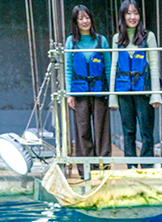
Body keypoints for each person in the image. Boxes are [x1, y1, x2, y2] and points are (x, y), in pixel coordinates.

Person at [110, 0, 162, 167]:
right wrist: (113, 96)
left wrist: (156, 94)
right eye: (128, 13)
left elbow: (154, 65)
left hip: (143, 90)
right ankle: (131, 165)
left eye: (135, 13)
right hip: (124, 91)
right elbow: (114, 66)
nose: (132, 17)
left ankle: (147, 165)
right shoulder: (117, 38)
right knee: (128, 131)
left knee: (146, 130)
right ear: (123, 16)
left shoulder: (149, 36)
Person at [65, 5, 112, 176]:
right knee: (82, 129)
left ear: (91, 19)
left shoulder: (102, 40)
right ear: (76, 22)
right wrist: (69, 93)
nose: (84, 21)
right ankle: (85, 169)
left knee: (102, 129)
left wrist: (110, 93)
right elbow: (68, 69)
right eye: (80, 18)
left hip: (99, 91)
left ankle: (104, 168)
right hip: (80, 92)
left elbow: (108, 67)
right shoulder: (71, 41)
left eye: (87, 17)